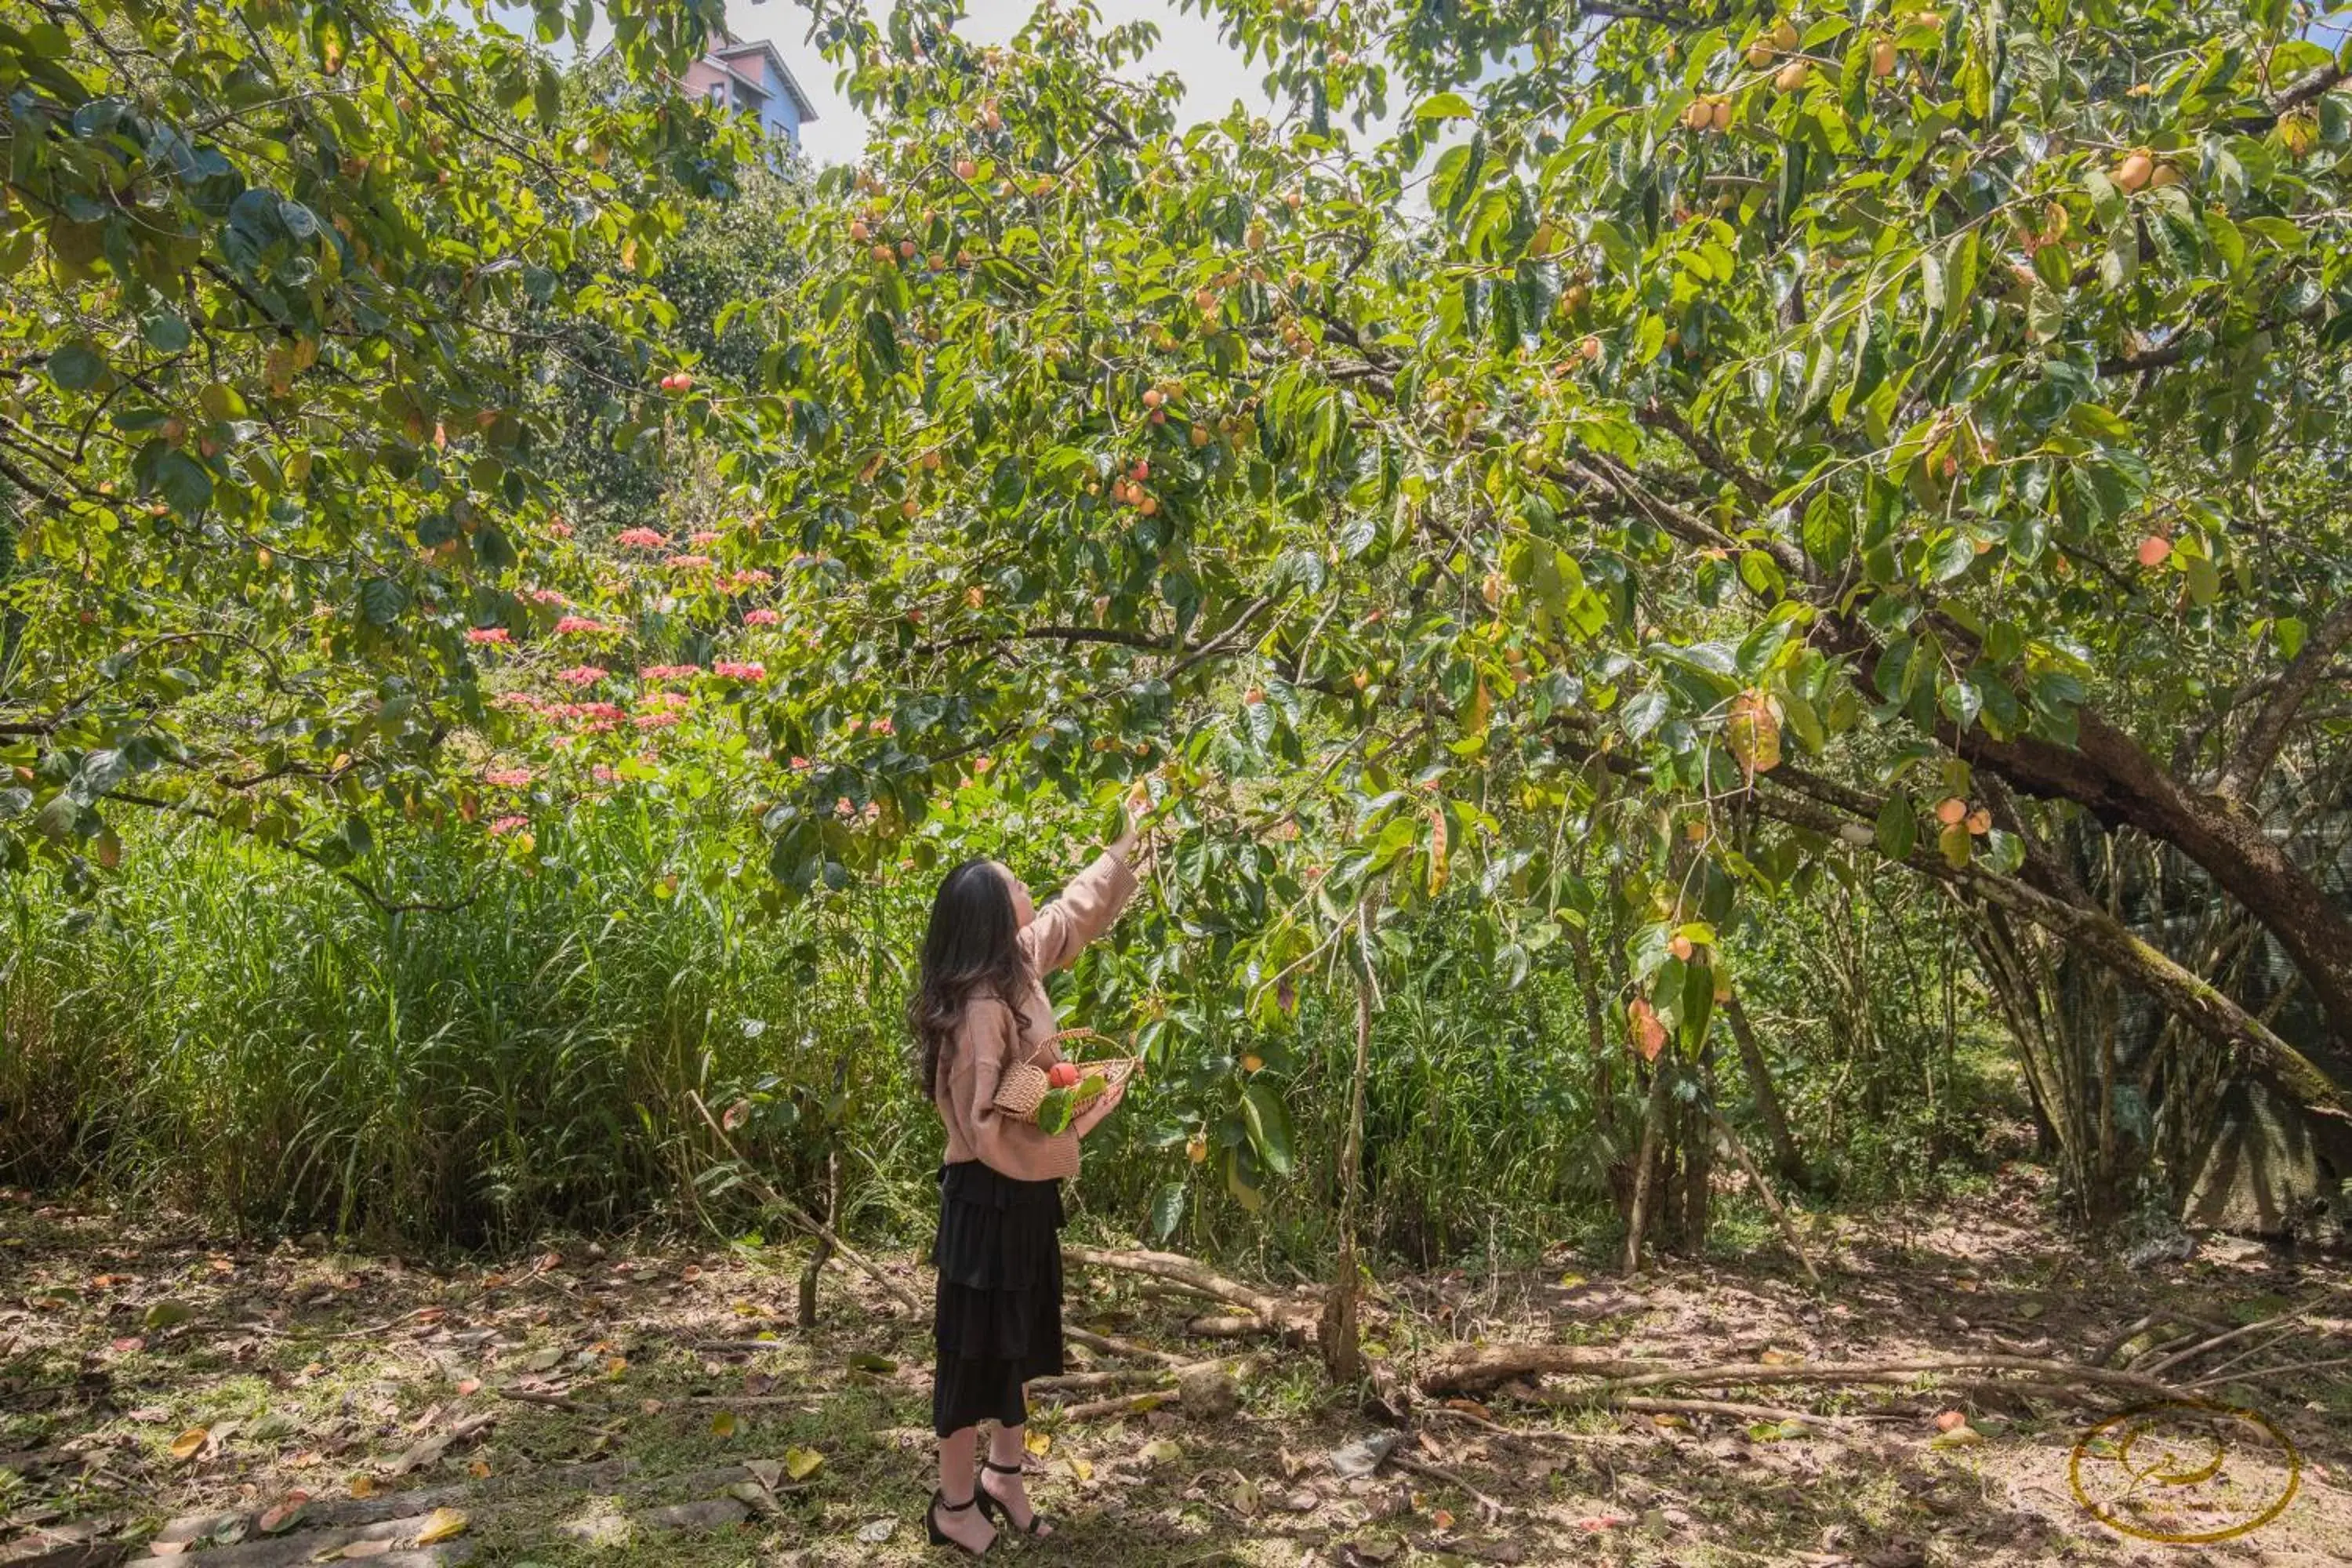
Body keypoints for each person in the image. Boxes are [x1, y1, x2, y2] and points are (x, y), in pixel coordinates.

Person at [909, 802, 1147, 1556]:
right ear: (988, 915)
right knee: (971, 1353)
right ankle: (952, 1505)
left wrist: (1129, 844)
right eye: (1015, 886)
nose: (1028, 893)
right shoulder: (982, 1008)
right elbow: (986, 1129)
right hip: (987, 1201)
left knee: (1016, 1342)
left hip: (1025, 1196)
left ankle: (1004, 1477)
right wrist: (1074, 1120)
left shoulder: (1013, 967)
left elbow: (1072, 914)